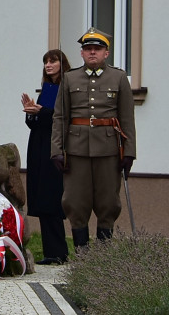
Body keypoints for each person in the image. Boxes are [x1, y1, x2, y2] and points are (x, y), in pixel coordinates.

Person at [50, 28, 136, 251]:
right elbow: (60, 117)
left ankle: (102, 257)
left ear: (106, 53)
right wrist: (56, 150)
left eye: (97, 49)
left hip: (108, 150)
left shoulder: (118, 78)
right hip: (76, 151)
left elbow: (127, 118)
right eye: (88, 49)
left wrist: (129, 152)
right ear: (81, 53)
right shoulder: (70, 78)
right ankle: (82, 255)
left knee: (108, 203)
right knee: (75, 202)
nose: (92, 52)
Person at [22, 49, 71, 264]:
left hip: (54, 147)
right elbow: (39, 121)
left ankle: (58, 252)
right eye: (45, 62)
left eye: (52, 61)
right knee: (41, 197)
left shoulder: (65, 88)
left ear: (62, 64)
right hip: (38, 146)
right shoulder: (46, 88)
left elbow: (62, 118)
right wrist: (30, 112)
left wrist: (40, 112)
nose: (48, 65)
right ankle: (50, 252)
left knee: (51, 198)